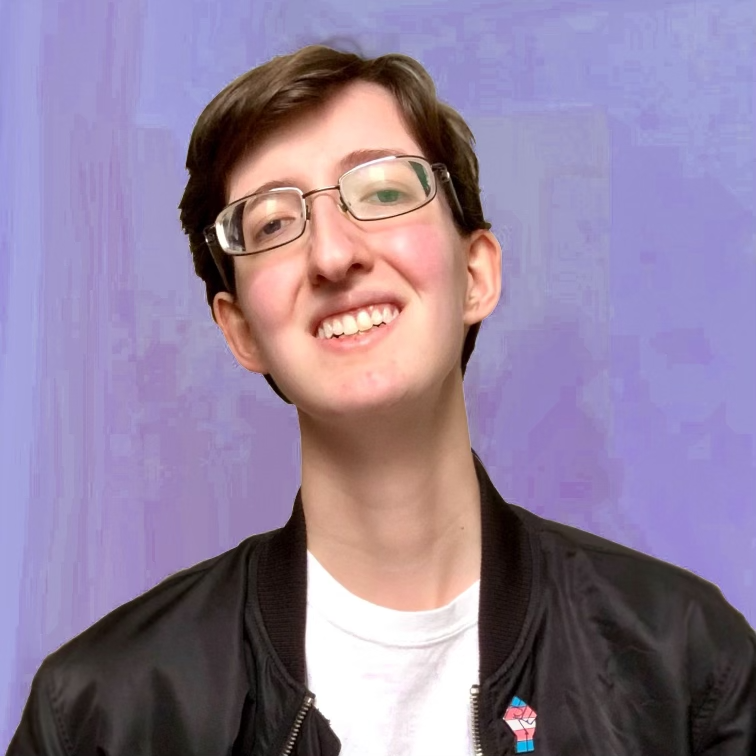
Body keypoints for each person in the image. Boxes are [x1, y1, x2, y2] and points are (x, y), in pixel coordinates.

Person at [8, 44, 756, 756]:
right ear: (241, 331)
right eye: (272, 223)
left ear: (476, 272)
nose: (333, 254)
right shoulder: (97, 714)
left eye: (384, 191)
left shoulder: (688, 664)